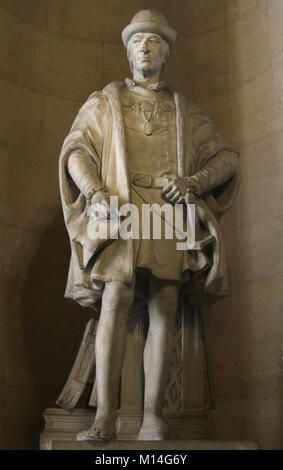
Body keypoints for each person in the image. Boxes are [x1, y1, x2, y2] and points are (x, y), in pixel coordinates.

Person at [59, 10, 240, 441]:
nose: (146, 47)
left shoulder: (185, 110)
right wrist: (94, 190)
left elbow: (227, 158)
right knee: (116, 298)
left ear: (166, 55)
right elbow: (76, 149)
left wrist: (193, 183)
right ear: (127, 51)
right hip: (120, 210)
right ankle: (105, 415)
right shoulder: (104, 101)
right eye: (139, 40)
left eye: (155, 42)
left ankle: (154, 417)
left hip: (167, 214)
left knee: (166, 303)